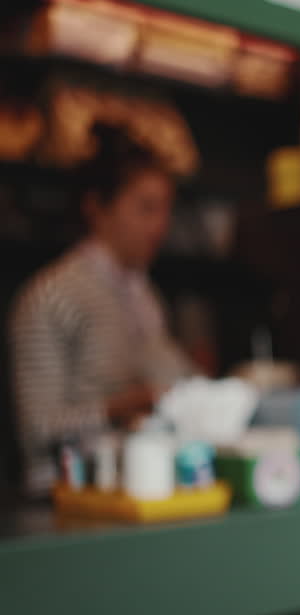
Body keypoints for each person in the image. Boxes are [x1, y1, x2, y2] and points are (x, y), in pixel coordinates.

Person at [9, 123, 190, 496]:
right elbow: (35, 430)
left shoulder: (144, 296)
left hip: (137, 491)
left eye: (166, 211)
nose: (160, 226)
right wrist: (123, 407)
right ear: (97, 208)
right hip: (62, 501)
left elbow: (173, 379)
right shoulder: (50, 297)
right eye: (146, 209)